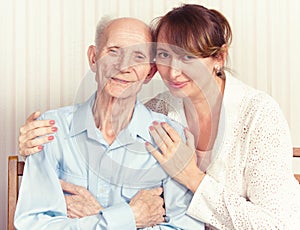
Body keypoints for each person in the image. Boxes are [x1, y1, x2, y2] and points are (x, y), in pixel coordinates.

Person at [18, 4, 300, 229]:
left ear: (219, 59)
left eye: (188, 58)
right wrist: (33, 138)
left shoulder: (256, 115)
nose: (174, 73)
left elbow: (280, 225)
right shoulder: (160, 114)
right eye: (164, 56)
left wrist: (191, 177)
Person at [14, 17, 204, 229]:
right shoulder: (48, 130)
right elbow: (34, 224)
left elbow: (184, 227)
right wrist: (131, 218)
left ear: (150, 72)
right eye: (114, 51)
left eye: (138, 56)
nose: (123, 66)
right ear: (93, 58)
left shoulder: (170, 138)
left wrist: (101, 217)